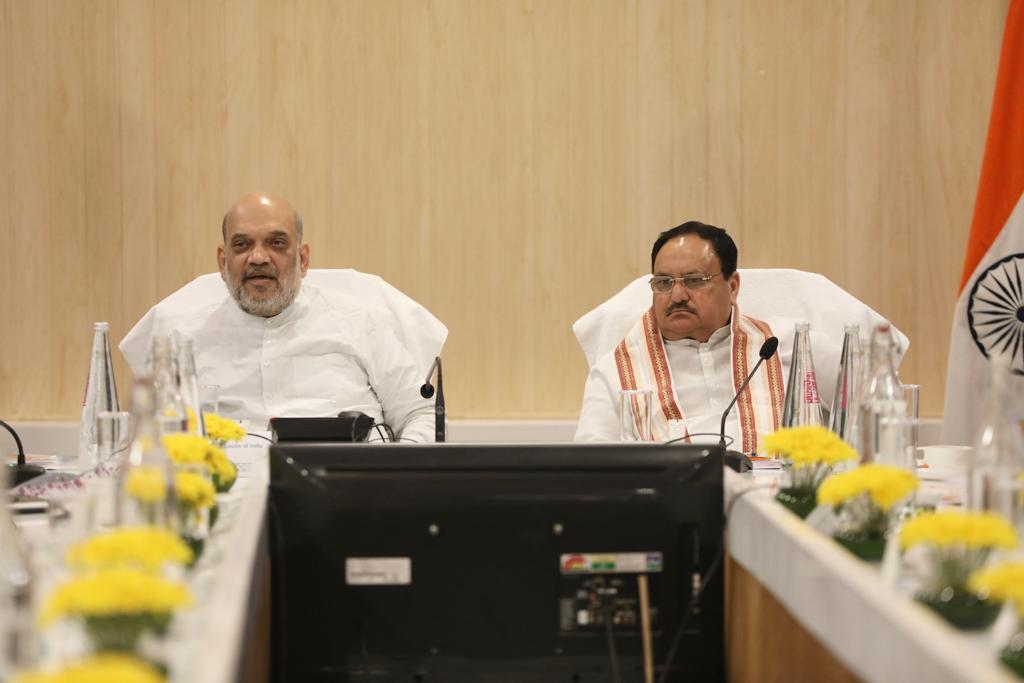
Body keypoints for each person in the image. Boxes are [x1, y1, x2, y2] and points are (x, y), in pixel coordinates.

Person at [121, 192, 436, 441]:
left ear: (303, 258)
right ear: (222, 261)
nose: (258, 258)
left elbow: (419, 415)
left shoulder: (360, 322)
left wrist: (392, 476)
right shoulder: (182, 340)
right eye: (242, 244)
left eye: (276, 243)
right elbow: (148, 438)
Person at [574, 221, 785, 452]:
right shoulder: (615, 373)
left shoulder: (782, 344)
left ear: (732, 286)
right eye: (663, 283)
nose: (677, 296)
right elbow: (591, 465)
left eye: (694, 280)